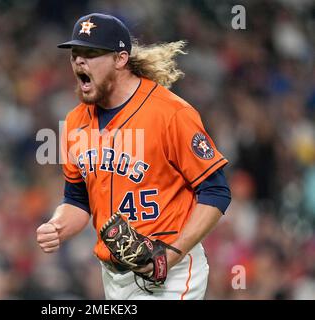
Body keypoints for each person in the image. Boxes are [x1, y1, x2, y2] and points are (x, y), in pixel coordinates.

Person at [36, 13, 231, 300]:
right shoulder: (76, 121)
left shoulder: (170, 114)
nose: (79, 61)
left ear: (120, 59)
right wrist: (56, 226)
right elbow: (77, 200)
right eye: (75, 54)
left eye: (91, 53)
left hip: (170, 275)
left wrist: (173, 254)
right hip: (113, 277)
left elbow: (216, 191)